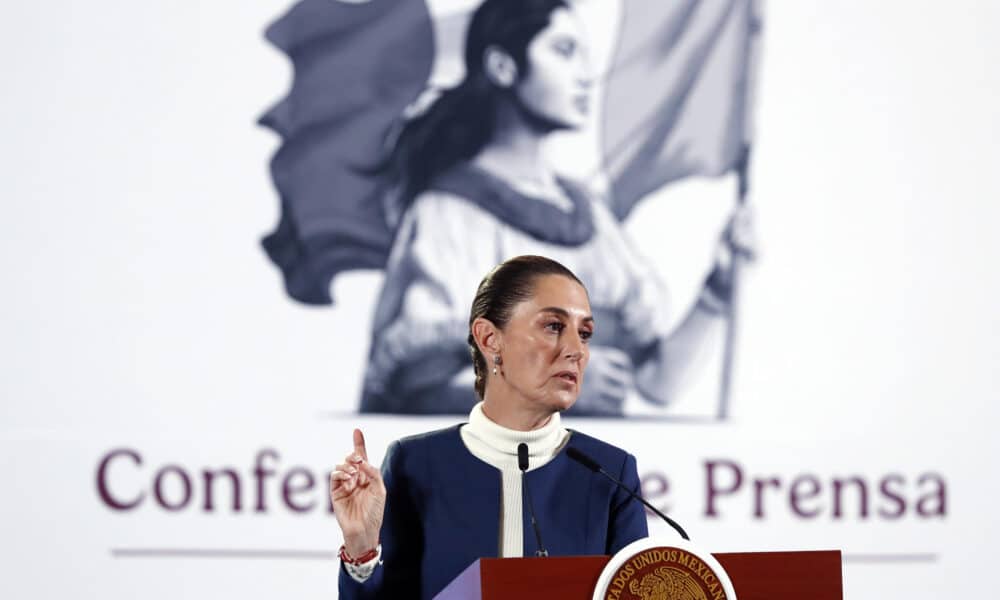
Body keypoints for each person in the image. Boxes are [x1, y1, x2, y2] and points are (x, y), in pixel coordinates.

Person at [360, 0, 749, 417]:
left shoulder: (591, 218)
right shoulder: (448, 213)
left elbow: (657, 383)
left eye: (584, 56)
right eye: (564, 52)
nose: (584, 76)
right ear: (503, 67)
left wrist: (718, 289)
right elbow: (421, 388)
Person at [333, 256, 651, 599]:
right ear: (489, 339)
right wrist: (361, 550)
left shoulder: (610, 473)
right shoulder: (416, 464)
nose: (577, 350)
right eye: (554, 326)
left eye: (585, 333)